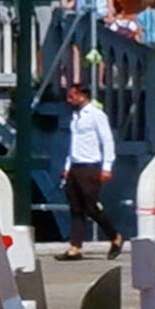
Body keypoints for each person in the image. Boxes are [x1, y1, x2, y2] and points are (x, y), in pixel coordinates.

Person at [51, 82, 122, 254]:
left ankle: (114, 235)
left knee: (91, 206)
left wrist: (107, 167)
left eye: (72, 96)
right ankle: (75, 245)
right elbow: (73, 144)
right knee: (76, 207)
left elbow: (107, 140)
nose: (69, 100)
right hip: (75, 164)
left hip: (90, 165)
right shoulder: (75, 117)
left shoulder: (96, 115)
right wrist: (68, 166)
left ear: (82, 96)